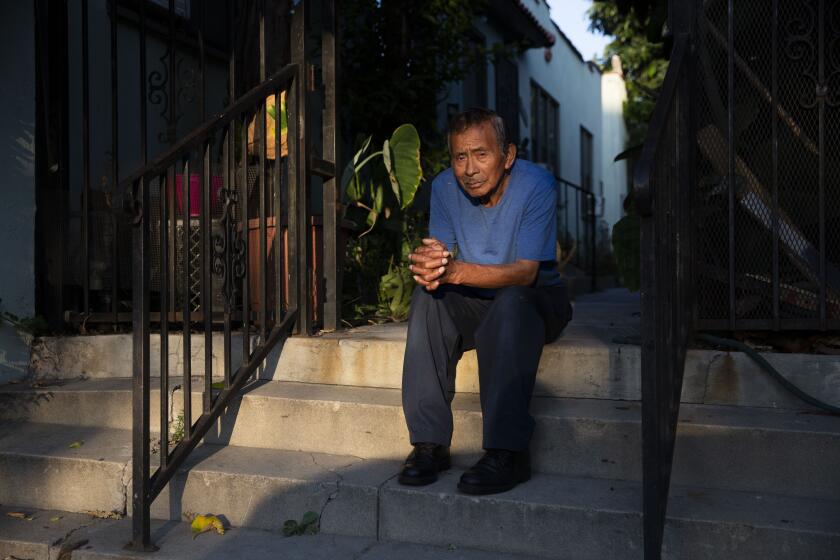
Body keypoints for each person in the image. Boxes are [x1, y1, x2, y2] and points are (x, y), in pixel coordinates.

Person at [398, 107, 573, 495]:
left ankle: (507, 452)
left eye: (481, 154)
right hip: (478, 303)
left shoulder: (536, 184)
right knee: (428, 301)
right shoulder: (444, 188)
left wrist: (455, 272)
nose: (469, 169)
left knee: (512, 300)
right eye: (460, 156)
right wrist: (430, 266)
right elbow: (441, 254)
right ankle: (429, 444)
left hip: (536, 301)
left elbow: (526, 272)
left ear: (507, 156)